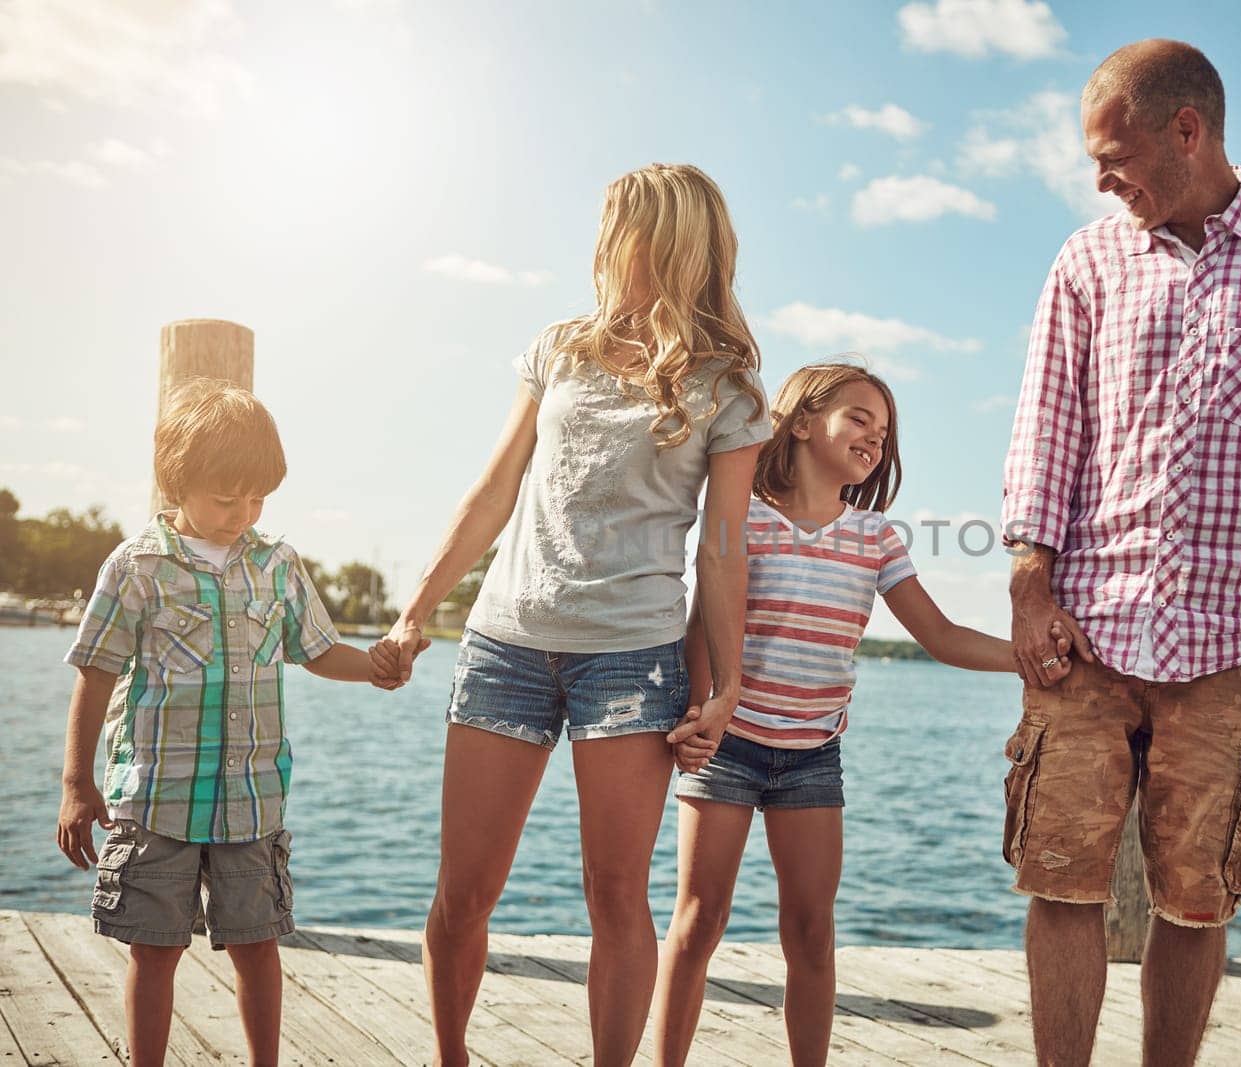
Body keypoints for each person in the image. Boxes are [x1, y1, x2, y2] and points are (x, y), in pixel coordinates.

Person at [1001, 40, 1241, 1066]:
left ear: (1188, 131)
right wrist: (1027, 580)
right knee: (1060, 875)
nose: (1100, 181)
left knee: (1196, 890)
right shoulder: (1086, 260)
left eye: (1113, 155)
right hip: (1083, 628)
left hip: (1225, 638)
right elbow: (1046, 429)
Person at [376, 163, 770, 1067]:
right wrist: (414, 616)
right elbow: (493, 493)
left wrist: (728, 684)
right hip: (505, 643)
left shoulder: (727, 387)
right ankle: (451, 1057)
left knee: (616, 894)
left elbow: (721, 549)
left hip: (631, 662)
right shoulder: (559, 347)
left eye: (615, 225)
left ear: (661, 239)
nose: (599, 243)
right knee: (464, 891)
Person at [652, 363, 1020, 1067]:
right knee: (699, 923)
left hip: (812, 758)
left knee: (812, 931)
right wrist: (700, 714)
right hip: (727, 747)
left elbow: (941, 636)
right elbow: (704, 620)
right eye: (859, 419)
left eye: (883, 433)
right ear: (799, 422)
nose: (874, 439)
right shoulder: (745, 517)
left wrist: (1029, 659)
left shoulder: (875, 538)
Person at [56, 380, 401, 1066]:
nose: (242, 512)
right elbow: (94, 670)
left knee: (257, 945)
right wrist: (75, 779)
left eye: (257, 497)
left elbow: (317, 649)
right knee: (153, 950)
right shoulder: (136, 566)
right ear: (176, 480)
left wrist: (376, 665)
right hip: (156, 800)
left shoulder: (277, 564)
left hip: (252, 802)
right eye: (225, 497)